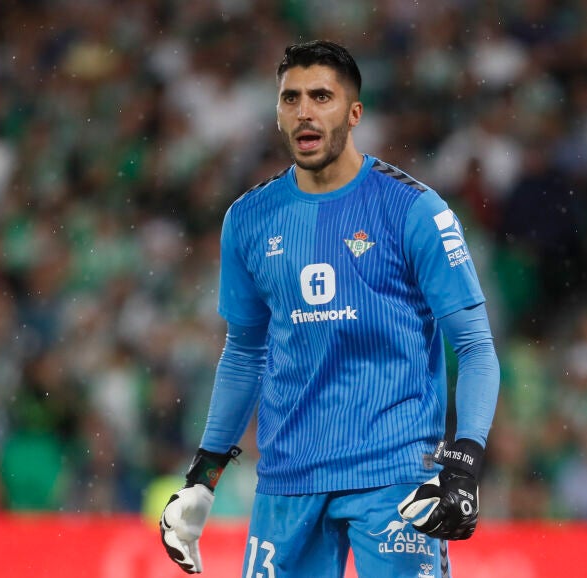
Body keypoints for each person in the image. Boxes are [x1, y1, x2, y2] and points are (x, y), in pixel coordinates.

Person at [158, 39, 500, 578]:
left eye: (321, 97)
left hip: (394, 477)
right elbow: (244, 354)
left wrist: (464, 464)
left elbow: (476, 346)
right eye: (290, 98)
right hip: (288, 479)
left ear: (354, 113)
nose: (304, 112)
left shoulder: (415, 211)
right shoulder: (248, 220)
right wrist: (203, 476)